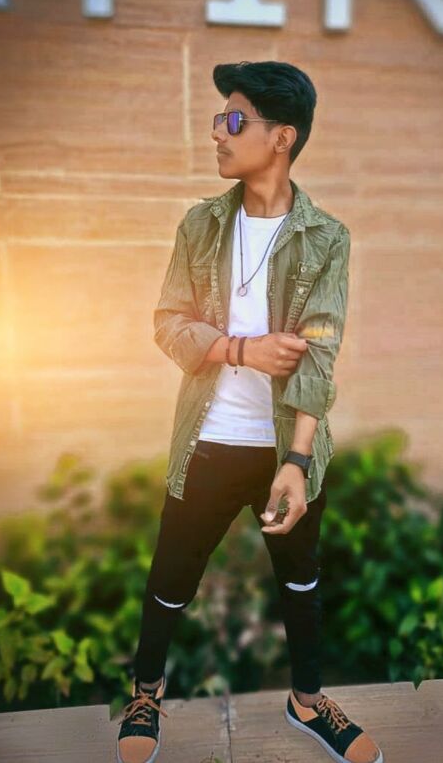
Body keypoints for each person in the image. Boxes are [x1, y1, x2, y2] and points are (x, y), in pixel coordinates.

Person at [116, 60, 382, 763]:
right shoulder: (201, 224)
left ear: (281, 137)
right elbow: (168, 323)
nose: (217, 132)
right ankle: (145, 693)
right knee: (170, 579)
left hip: (282, 448)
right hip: (206, 440)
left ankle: (308, 701)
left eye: (234, 120)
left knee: (301, 582)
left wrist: (297, 460)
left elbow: (319, 355)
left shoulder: (326, 238)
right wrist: (243, 349)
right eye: (218, 118)